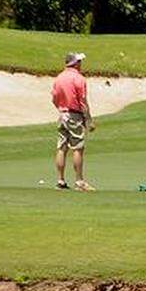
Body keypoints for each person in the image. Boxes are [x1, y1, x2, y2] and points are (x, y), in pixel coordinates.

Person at [51, 52, 96, 191]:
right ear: (75, 63)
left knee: (62, 147)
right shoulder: (79, 78)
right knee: (77, 147)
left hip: (62, 114)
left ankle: (60, 180)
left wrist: (62, 109)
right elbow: (82, 102)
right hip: (74, 115)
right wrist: (89, 119)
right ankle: (79, 181)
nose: (81, 64)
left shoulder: (59, 78)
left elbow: (54, 98)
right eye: (80, 62)